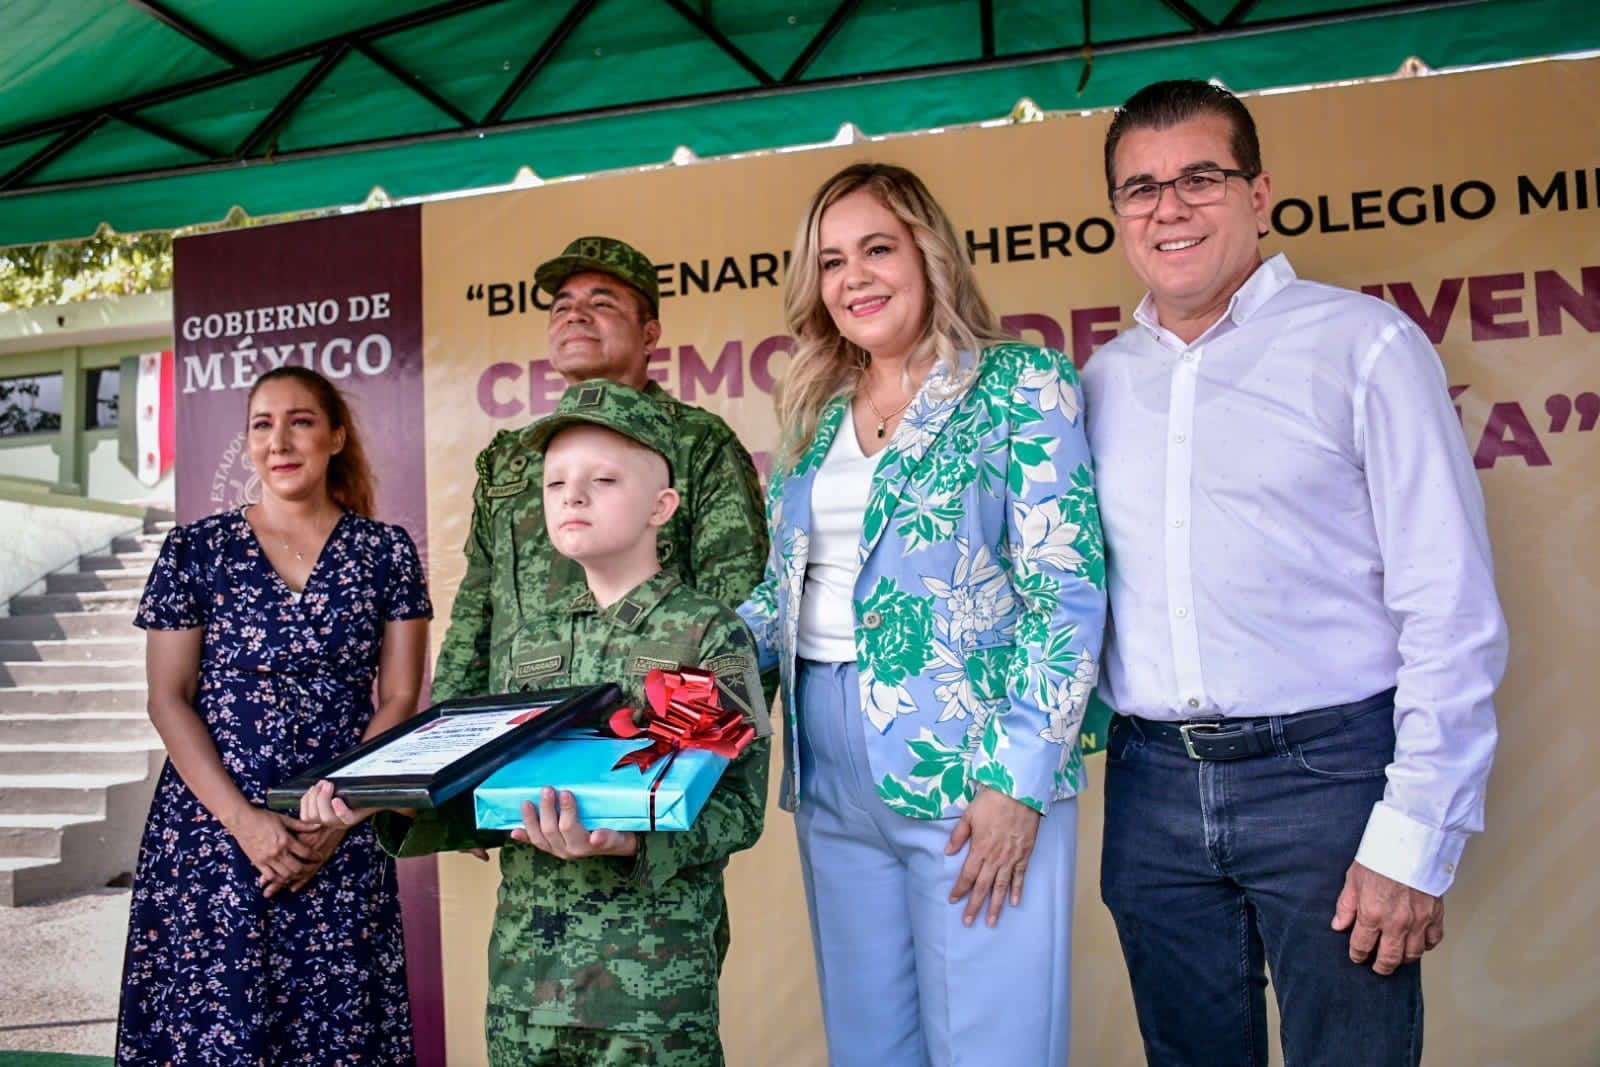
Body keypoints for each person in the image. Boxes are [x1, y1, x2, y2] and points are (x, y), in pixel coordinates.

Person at [1083, 79, 1508, 1066]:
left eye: (1199, 177)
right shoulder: (1098, 383)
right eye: (1141, 188)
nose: (1169, 208)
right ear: (1117, 213)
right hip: (1150, 785)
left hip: (1329, 778)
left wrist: (1416, 834)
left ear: (1260, 192)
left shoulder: (1364, 346)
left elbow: (1449, 607)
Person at [737, 162, 1105, 1066]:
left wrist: (1019, 779)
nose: (853, 277)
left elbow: (1066, 591)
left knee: (994, 1047)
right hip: (829, 762)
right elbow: (781, 594)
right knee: (870, 1046)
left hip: (977, 759)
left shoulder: (1021, 381)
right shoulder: (815, 412)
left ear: (929, 254)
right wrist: (677, 671)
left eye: (877, 249)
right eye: (831, 261)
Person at [303, 379, 770, 1066]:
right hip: (526, 986)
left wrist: (629, 843)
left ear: (662, 507)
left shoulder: (711, 634)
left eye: (602, 479)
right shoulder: (527, 644)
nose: (572, 496)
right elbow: (493, 798)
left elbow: (739, 805)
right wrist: (386, 798)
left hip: (652, 989)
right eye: (554, 483)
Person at [115, 365, 432, 1065]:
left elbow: (399, 698)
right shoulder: (195, 550)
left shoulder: (387, 552)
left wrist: (337, 817)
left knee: (336, 1034)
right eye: (262, 424)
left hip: (340, 829)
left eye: (301, 421)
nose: (279, 441)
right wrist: (246, 822)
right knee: (211, 1031)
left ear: (336, 437)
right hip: (211, 833)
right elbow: (168, 698)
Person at [431, 234, 768, 707]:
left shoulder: (696, 441)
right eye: (562, 306)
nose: (575, 315)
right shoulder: (513, 456)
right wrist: (449, 731)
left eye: (601, 303)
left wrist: (697, 737)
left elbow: (738, 604)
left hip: (649, 730)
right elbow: (474, 614)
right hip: (523, 730)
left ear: (649, 335)